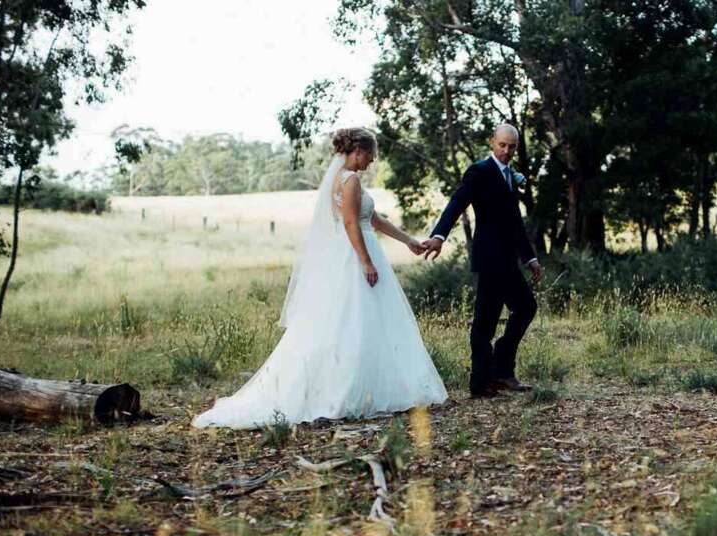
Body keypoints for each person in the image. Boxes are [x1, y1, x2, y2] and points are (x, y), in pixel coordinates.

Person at [192, 128, 447, 429]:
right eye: (369, 155)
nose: (371, 160)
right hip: (355, 256)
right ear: (357, 152)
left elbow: (373, 219)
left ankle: (365, 387)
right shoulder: (349, 180)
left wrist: (408, 240)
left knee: (356, 324)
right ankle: (346, 391)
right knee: (355, 323)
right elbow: (352, 222)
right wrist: (366, 261)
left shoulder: (342, 179)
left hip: (353, 252)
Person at [420, 124, 542, 398]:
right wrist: (439, 235)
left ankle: (499, 371)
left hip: (508, 259)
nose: (507, 151)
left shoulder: (510, 175)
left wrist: (530, 257)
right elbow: (457, 202)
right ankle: (482, 381)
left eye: (512, 147)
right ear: (492, 142)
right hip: (489, 258)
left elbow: (514, 222)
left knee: (524, 308)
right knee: (486, 321)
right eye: (502, 145)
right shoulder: (480, 171)